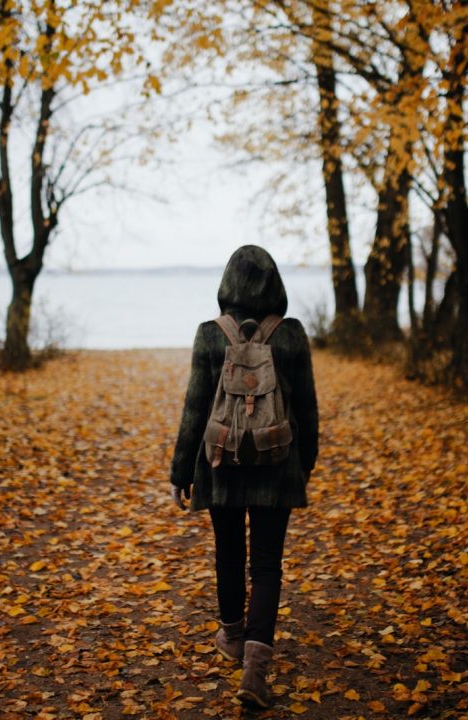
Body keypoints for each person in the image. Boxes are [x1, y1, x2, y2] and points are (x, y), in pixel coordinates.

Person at [169, 245, 319, 709]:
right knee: (267, 564)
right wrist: (304, 464)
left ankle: (232, 635)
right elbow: (308, 409)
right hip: (277, 465)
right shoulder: (290, 334)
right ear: (276, 285)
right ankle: (256, 666)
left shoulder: (210, 335)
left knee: (229, 553)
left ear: (227, 285)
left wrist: (181, 471)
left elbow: (195, 408)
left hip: (221, 464)